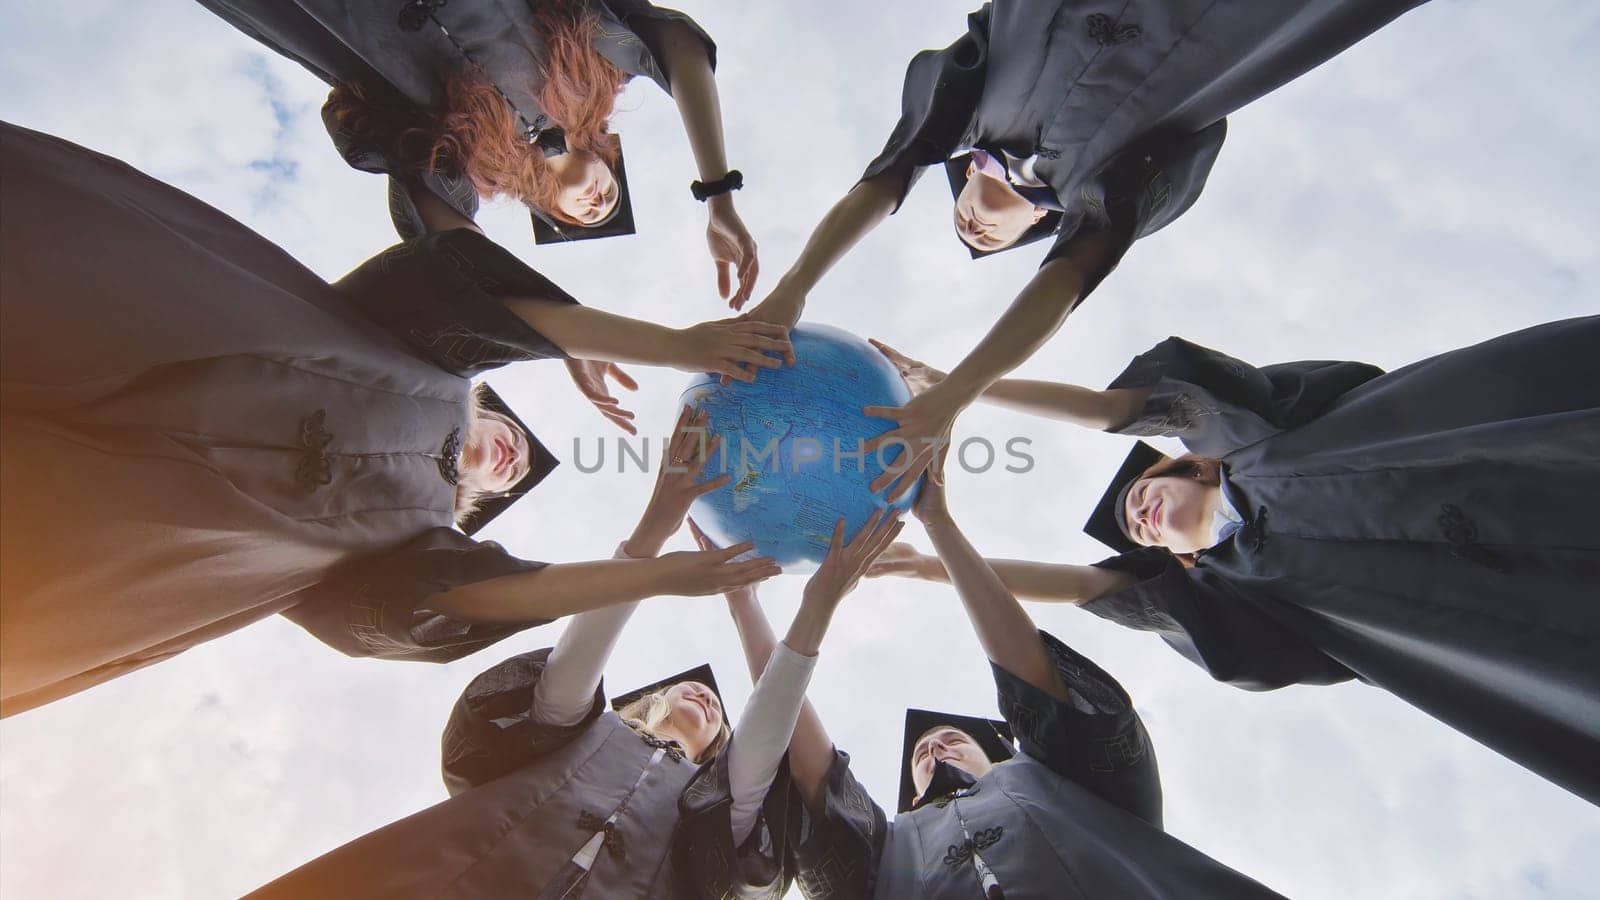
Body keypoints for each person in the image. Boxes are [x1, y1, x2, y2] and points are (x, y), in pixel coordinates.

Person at [0, 122, 785, 716]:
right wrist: (675, 346)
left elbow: (461, 603)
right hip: (173, 317)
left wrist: (658, 574)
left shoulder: (419, 539)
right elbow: (484, 306)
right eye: (517, 440)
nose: (513, 454)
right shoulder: (430, 361)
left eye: (509, 463)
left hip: (151, 534)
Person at [863, 320, 1600, 803]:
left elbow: (1112, 408)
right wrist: (929, 565)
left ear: (1192, 467)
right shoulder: (1243, 589)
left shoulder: (1257, 438)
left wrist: (954, 383)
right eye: (1141, 536)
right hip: (1521, 612)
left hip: (1518, 462)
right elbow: (1087, 585)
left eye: (1141, 494)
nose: (1141, 518)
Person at [743, 0, 1428, 501]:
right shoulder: (1103, 186)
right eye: (984, 240)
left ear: (966, 176)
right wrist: (953, 392)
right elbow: (1068, 276)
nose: (975, 228)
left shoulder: (972, 101)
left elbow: (891, 172)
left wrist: (792, 288)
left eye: (961, 217)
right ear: (1038, 229)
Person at [244, 423, 903, 898]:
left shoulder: (710, 809)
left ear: (714, 754)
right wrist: (650, 536)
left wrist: (804, 610)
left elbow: (757, 759)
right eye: (696, 694)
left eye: (717, 717)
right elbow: (565, 682)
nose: (706, 700)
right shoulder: (580, 733)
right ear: (647, 703)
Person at [686, 477, 1287, 898]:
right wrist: (743, 605)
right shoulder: (882, 855)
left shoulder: (1082, 787)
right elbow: (811, 768)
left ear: (1003, 747)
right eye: (924, 754)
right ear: (911, 797)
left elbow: (1034, 679)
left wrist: (938, 523)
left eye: (946, 740)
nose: (933, 750)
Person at [196, 0, 763, 432]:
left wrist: (615, 342)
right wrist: (719, 197)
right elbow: (678, 47)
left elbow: (464, 282)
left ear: (547, 209)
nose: (597, 203)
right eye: (610, 196)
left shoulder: (463, 165)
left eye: (586, 215)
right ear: (611, 160)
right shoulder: (594, 64)